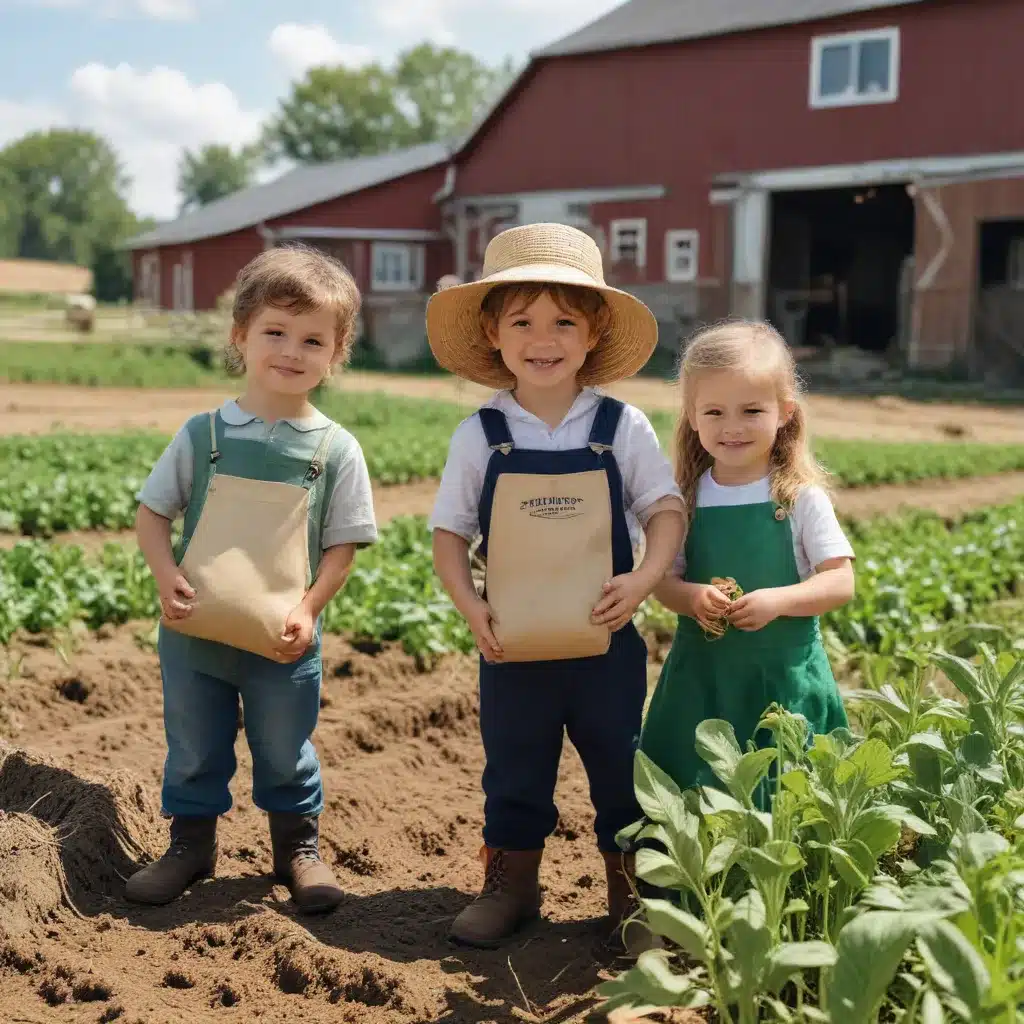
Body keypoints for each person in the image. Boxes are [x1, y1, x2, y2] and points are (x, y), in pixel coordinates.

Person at [426, 222, 685, 949]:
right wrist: (471, 607)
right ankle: (511, 885)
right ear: (494, 331)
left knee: (619, 766)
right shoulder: (480, 433)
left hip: (607, 644)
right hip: (512, 646)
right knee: (514, 768)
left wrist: (640, 581)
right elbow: (448, 536)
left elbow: (665, 511)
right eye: (524, 321)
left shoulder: (620, 425)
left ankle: (630, 896)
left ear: (594, 329)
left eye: (564, 320)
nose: (545, 338)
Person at [126, 245, 377, 913]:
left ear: (335, 353)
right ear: (240, 335)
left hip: (283, 641)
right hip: (194, 635)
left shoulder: (334, 448)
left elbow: (342, 547)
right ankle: (189, 846)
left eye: (312, 340)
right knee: (193, 745)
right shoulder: (203, 433)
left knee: (284, 748)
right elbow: (153, 515)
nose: (291, 351)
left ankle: (297, 850)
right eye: (275, 332)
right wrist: (164, 574)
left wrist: (310, 608)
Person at [640, 319, 854, 802]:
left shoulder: (800, 498)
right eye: (714, 411)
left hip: (782, 678)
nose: (731, 427)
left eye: (751, 410)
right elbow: (663, 581)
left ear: (784, 413)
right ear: (692, 417)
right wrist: (691, 596)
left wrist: (779, 600)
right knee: (692, 794)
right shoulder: (685, 500)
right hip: (703, 677)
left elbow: (840, 582)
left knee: (787, 796)